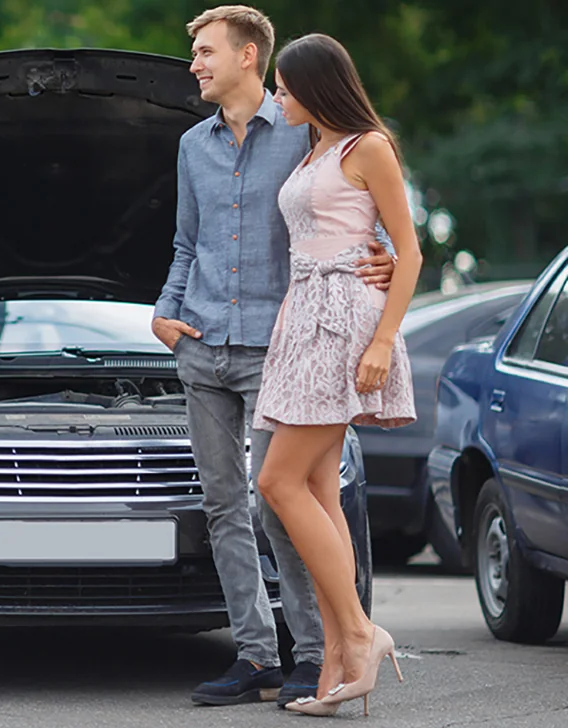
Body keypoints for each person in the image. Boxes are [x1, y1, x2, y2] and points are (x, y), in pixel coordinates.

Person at [152, 5, 398, 709]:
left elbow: (356, 210)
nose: (194, 64)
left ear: (248, 55)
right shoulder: (191, 145)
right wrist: (165, 312)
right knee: (223, 506)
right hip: (202, 343)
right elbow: (187, 243)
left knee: (282, 502)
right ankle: (256, 655)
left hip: (283, 346)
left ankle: (315, 650)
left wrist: (381, 260)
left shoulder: (302, 129)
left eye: (205, 52)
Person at [254, 32, 418, 717]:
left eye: (285, 88)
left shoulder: (367, 146)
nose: (278, 99)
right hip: (300, 319)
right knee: (318, 489)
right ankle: (335, 663)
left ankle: (360, 632)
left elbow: (409, 253)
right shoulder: (312, 149)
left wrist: (381, 342)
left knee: (277, 482)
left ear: (317, 87)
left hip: (344, 322)